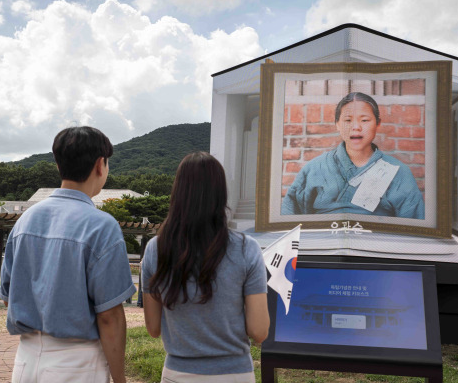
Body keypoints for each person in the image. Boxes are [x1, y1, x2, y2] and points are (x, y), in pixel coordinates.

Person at [0, 126, 135, 383]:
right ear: (100, 165)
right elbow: (109, 317)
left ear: (58, 164)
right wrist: (119, 379)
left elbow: (8, 298)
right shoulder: (102, 225)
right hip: (77, 362)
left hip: (26, 360)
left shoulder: (25, 220)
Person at [141, 152, 269, 383]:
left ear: (177, 193)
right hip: (235, 374)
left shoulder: (155, 249)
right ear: (221, 194)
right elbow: (259, 332)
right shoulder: (246, 249)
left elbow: (153, 328)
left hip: (177, 374)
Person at [281, 92, 425, 219]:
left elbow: (413, 225)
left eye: (364, 120)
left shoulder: (399, 172)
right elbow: (290, 217)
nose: (356, 127)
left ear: (378, 124)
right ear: (337, 124)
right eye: (348, 120)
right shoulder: (313, 168)